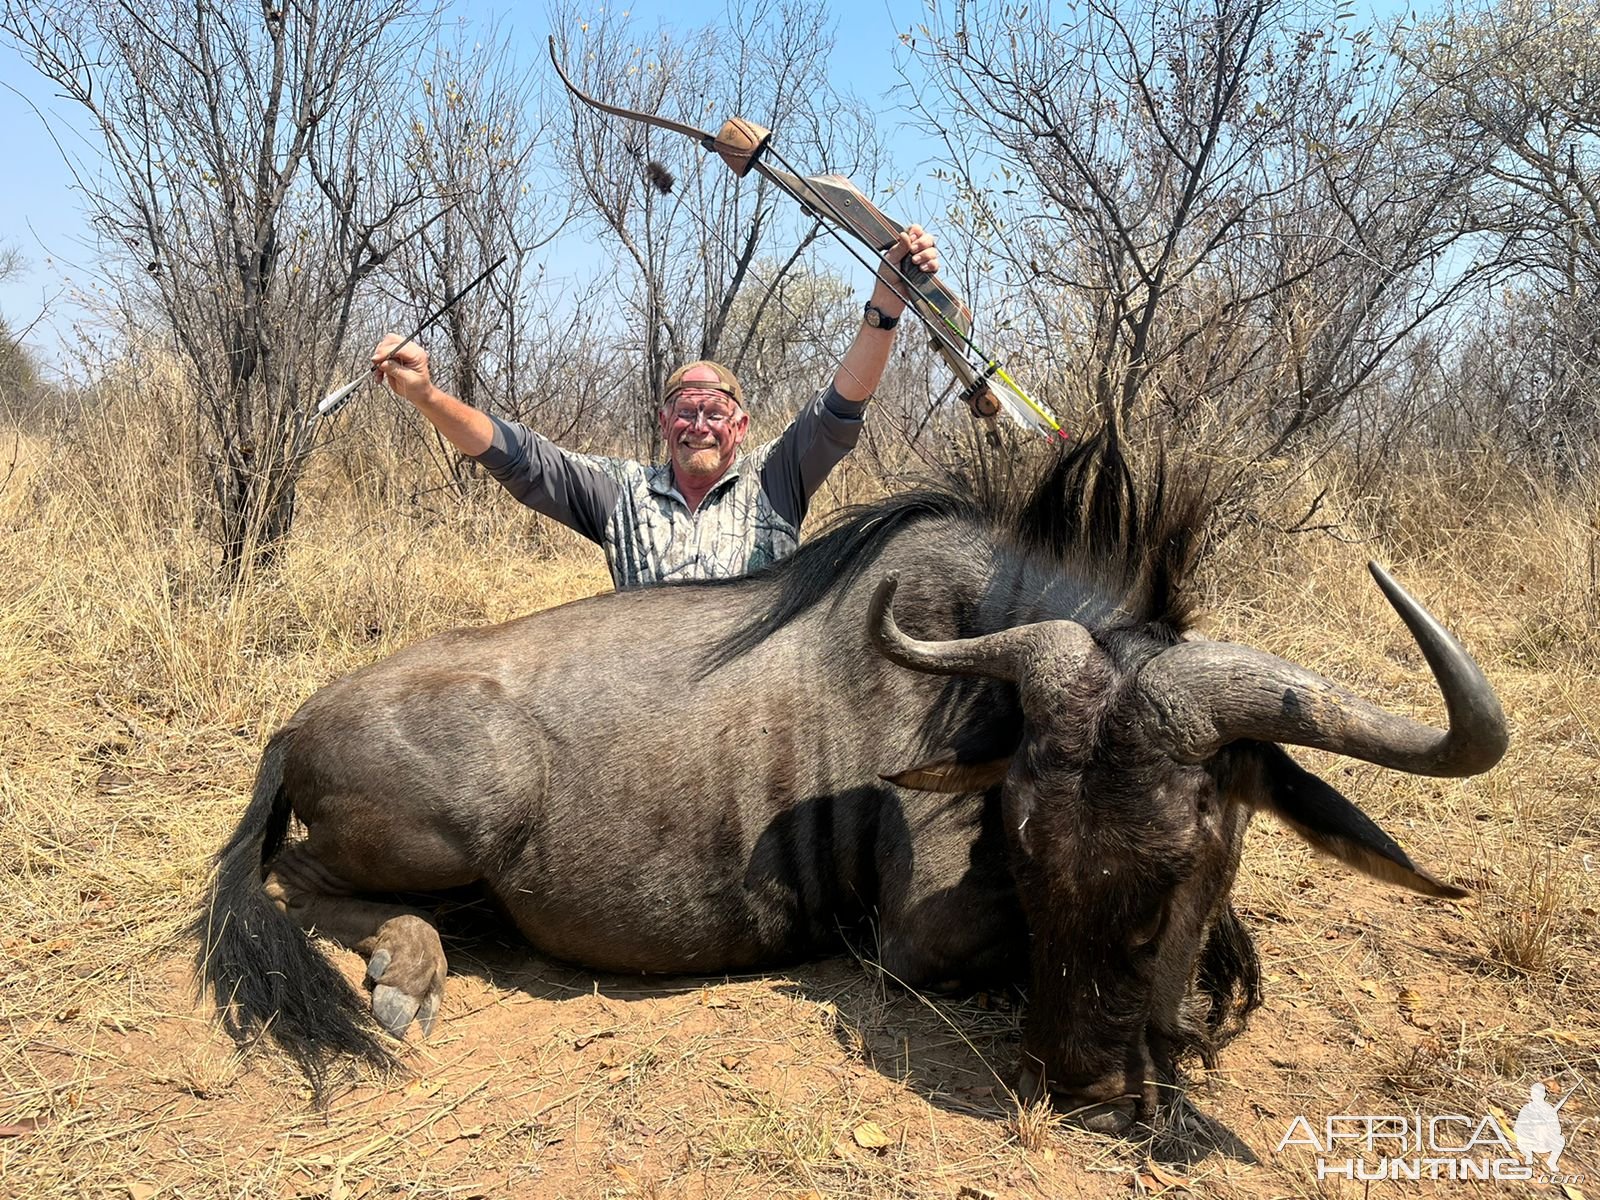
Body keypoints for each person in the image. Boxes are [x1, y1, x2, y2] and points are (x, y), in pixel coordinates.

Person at [371, 226, 940, 588]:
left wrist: (884, 307)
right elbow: (518, 456)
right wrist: (427, 396)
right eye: (685, 413)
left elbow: (843, 404)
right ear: (664, 424)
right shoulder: (621, 493)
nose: (699, 426)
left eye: (714, 413)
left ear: (739, 427)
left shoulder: (776, 477)